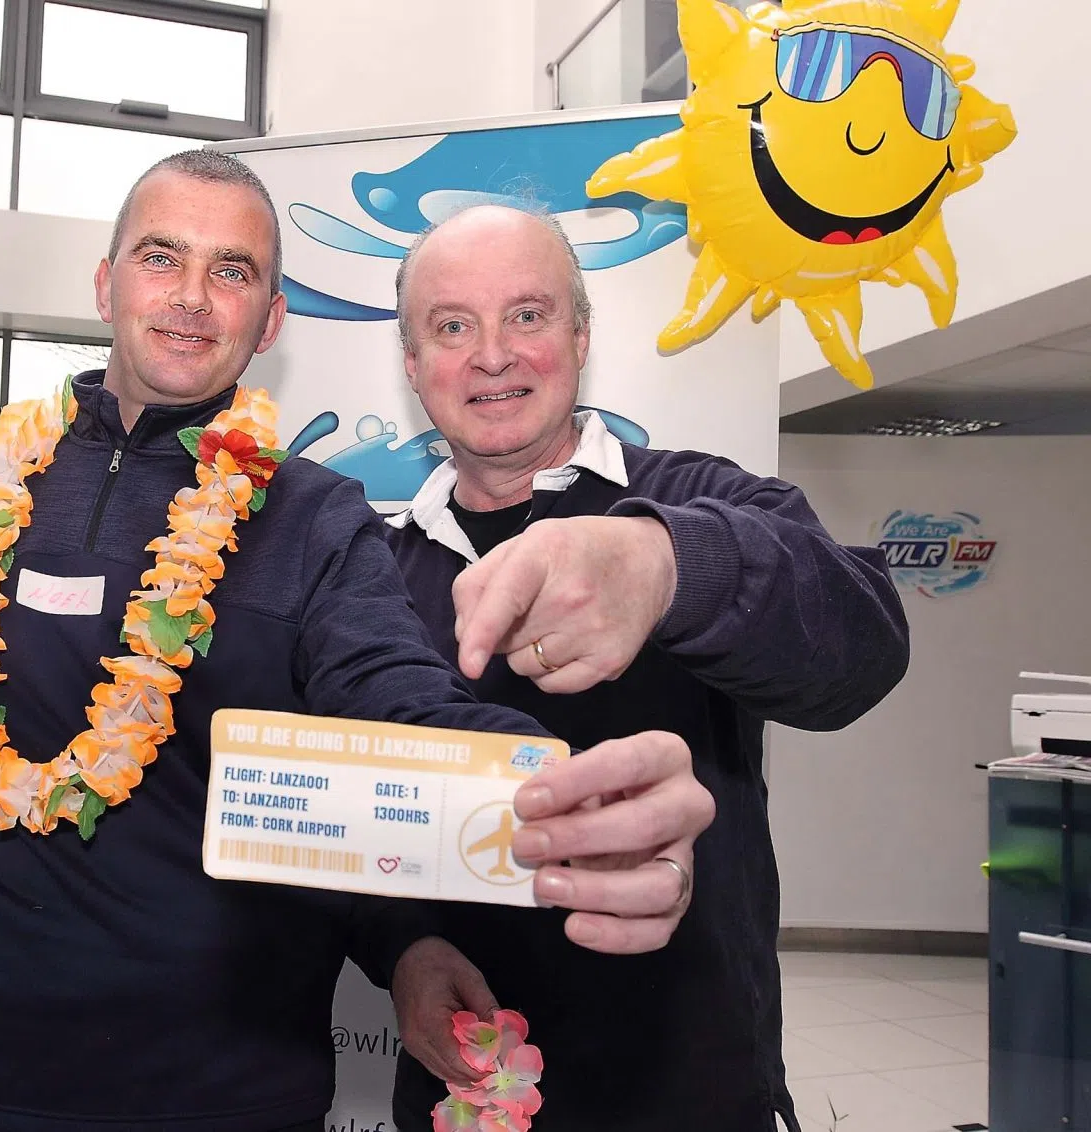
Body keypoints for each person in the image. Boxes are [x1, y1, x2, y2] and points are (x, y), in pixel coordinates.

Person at [0, 154, 715, 1132]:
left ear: (270, 319)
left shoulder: (315, 520)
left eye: (233, 270)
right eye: (163, 256)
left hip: (220, 1094)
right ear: (107, 283)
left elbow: (399, 708)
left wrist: (570, 788)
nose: (193, 295)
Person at [381, 205, 910, 1132]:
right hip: (463, 1096)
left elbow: (865, 647)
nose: (493, 355)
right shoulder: (375, 568)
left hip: (689, 1083)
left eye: (528, 315)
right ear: (414, 363)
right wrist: (399, 949)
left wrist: (668, 567)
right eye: (453, 326)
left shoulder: (696, 499)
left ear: (581, 337)